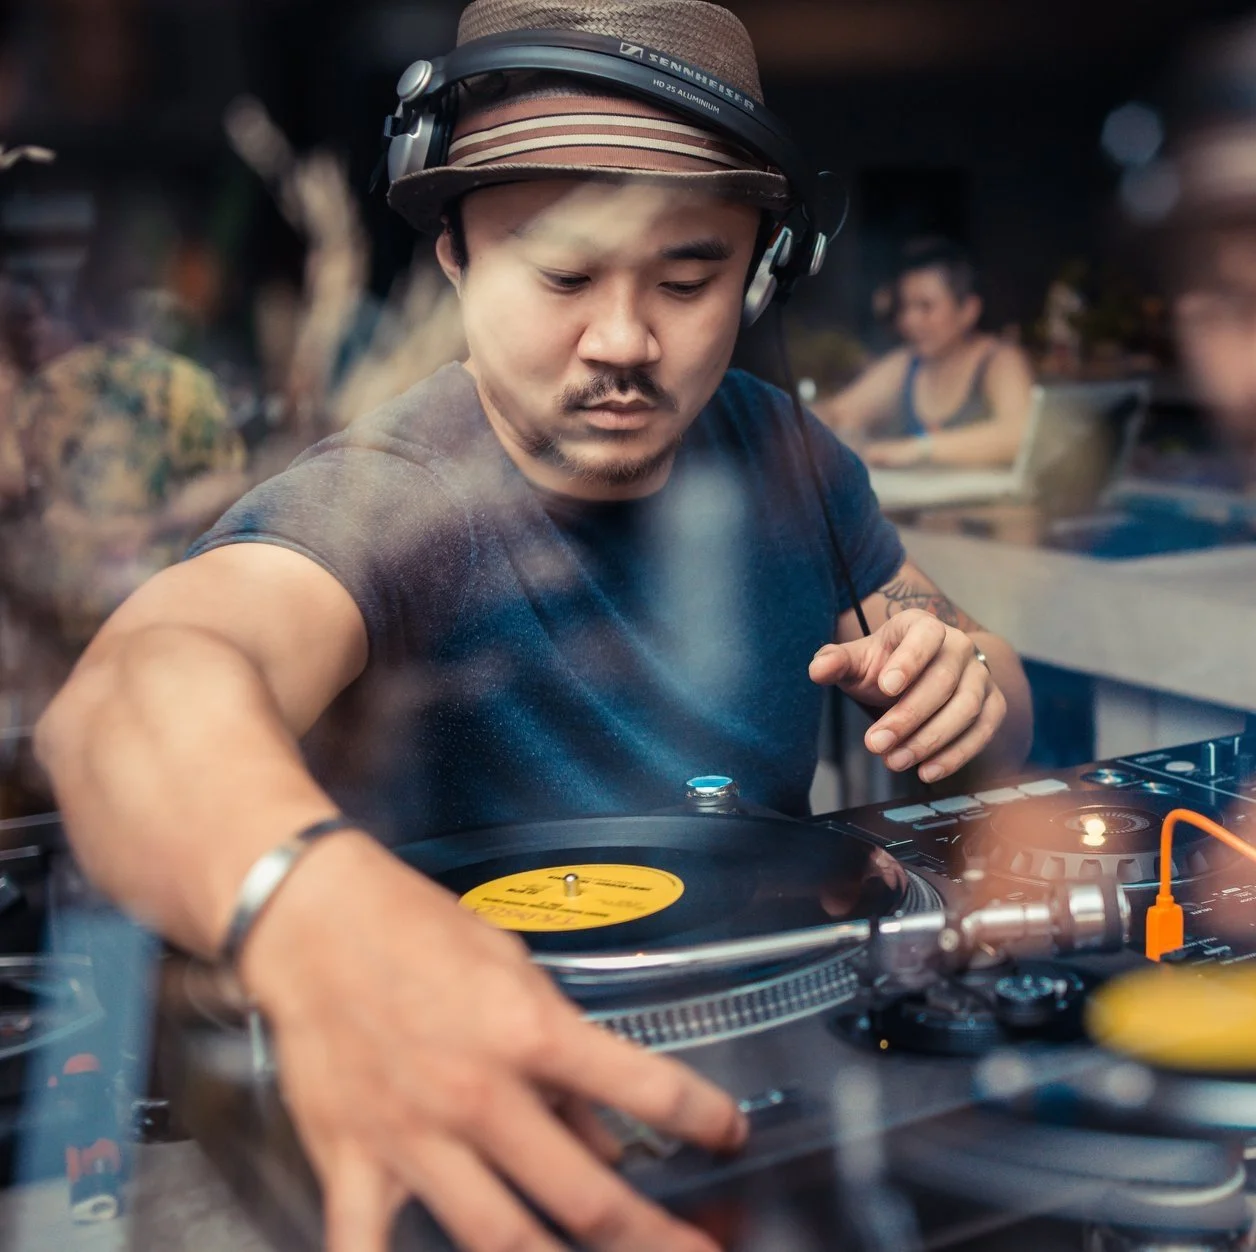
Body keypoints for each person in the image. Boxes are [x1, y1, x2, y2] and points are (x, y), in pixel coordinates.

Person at [33, 3, 1033, 1251]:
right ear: (452, 253)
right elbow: (125, 701)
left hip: (786, 1063)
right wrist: (308, 912)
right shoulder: (395, 492)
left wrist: (962, 677)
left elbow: (973, 665)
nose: (623, 341)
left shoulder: (784, 448)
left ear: (762, 267)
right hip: (476, 1111)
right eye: (560, 273)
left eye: (689, 277)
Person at [815, 237, 1036, 469]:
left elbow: (1021, 434)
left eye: (925, 306)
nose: (909, 320)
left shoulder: (999, 360)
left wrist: (919, 448)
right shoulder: (906, 363)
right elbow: (840, 413)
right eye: (904, 307)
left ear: (968, 310)